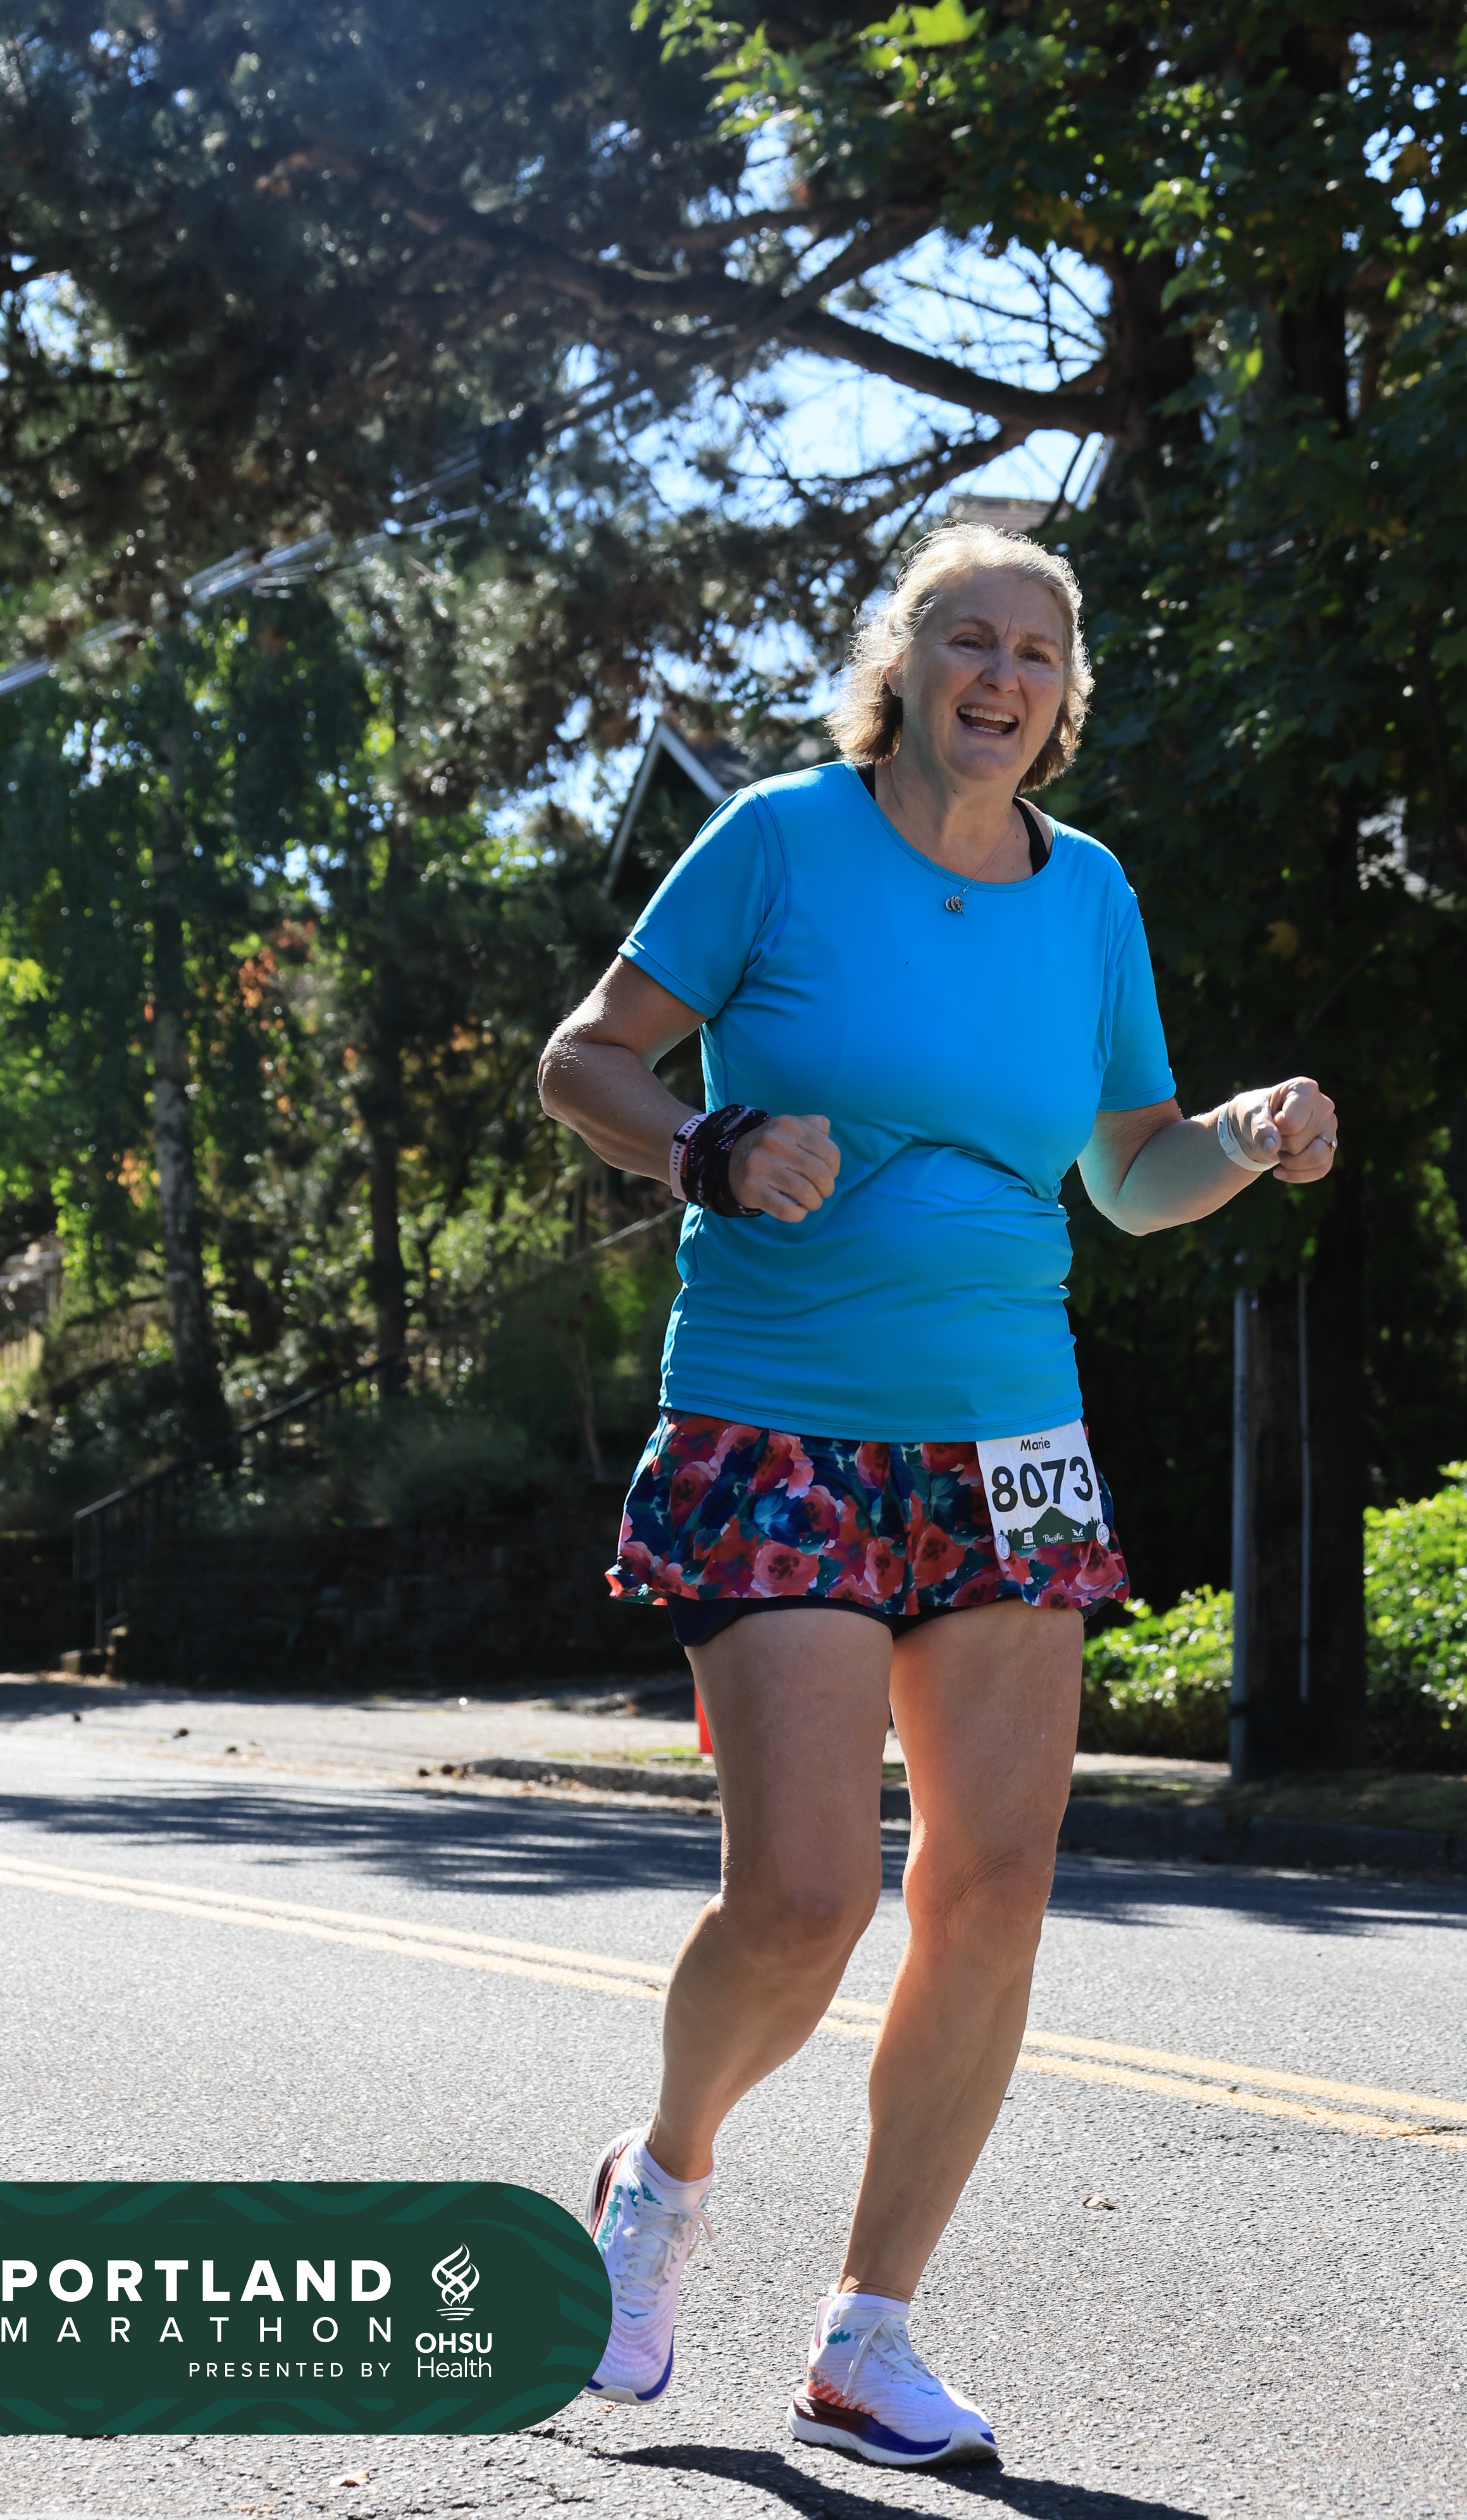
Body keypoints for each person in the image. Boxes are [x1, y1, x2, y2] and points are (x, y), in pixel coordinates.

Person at [536, 521, 1337, 2471]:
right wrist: (708, 1145)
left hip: (1013, 1443)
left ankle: (868, 2334)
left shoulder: (1092, 897)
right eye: (968, 640)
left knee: (993, 1886)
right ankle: (662, 2177)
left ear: (1065, 699)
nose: (1003, 675)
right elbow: (587, 1061)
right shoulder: (781, 843)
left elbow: (1128, 1171)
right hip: (779, 1420)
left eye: (1037, 653)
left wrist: (1238, 1137)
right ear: (901, 668)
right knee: (807, 1897)